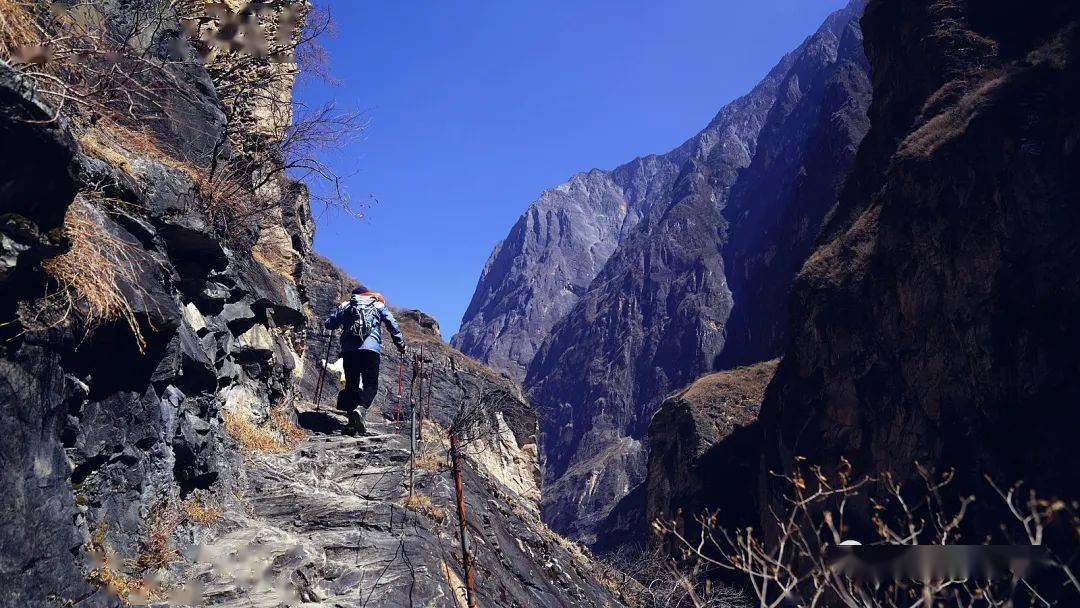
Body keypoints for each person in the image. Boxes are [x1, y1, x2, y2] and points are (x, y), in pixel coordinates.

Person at [324, 284, 406, 435]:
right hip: (370, 350)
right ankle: (361, 409)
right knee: (370, 385)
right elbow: (392, 324)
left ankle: (350, 423)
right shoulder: (377, 304)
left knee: (351, 385)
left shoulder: (347, 305)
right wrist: (400, 345)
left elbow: (330, 324)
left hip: (349, 351)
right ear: (367, 294)